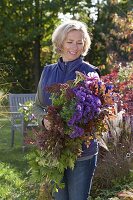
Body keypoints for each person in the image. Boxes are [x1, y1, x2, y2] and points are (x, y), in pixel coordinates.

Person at [33, 20, 100, 200]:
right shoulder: (48, 71)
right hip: (54, 150)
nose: (75, 47)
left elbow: (97, 113)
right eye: (70, 41)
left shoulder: (90, 73)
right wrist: (43, 120)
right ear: (60, 43)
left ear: (84, 44)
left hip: (82, 152)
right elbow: (37, 105)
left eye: (80, 42)